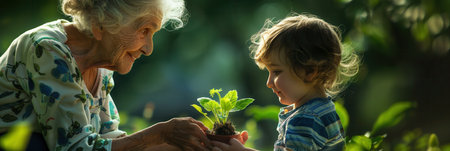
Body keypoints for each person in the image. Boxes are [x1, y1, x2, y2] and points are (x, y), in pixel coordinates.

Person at [0, 0, 212, 150]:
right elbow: (75, 148)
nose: (148, 49)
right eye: (144, 31)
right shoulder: (47, 49)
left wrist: (197, 145)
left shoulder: (102, 67)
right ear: (102, 22)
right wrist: (160, 133)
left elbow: (109, 142)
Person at [211, 13, 360, 151]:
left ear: (309, 71)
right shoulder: (325, 110)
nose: (269, 83)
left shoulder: (305, 120)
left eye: (276, 72)